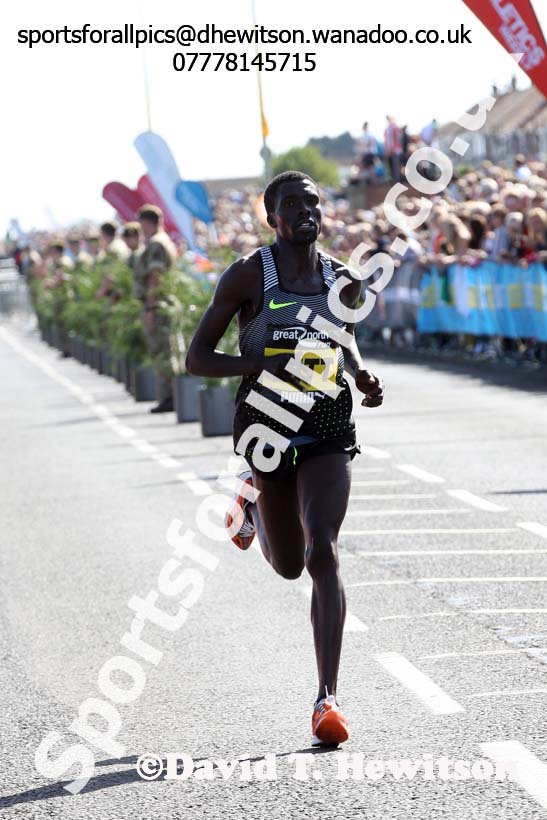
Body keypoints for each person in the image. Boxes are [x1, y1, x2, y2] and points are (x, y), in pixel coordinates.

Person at [185, 171, 384, 747]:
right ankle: (248, 500)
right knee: (289, 565)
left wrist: (361, 375)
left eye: (313, 203)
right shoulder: (249, 274)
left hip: (325, 424)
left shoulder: (340, 279)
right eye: (292, 204)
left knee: (323, 549)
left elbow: (342, 341)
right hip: (266, 427)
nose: (305, 211)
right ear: (272, 218)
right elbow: (199, 358)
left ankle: (327, 698)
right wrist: (258, 366)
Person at [134, 204, 178, 413]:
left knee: (162, 351)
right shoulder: (163, 241)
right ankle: (169, 396)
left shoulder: (156, 245)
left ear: (146, 222)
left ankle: (169, 397)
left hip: (158, 304)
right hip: (162, 303)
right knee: (164, 350)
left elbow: (155, 277)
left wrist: (150, 308)